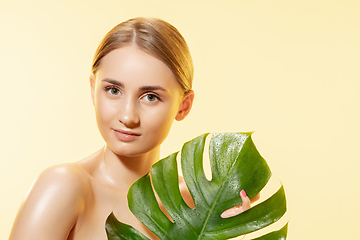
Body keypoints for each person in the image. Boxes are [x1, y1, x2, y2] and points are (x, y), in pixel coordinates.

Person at [9, 17, 259, 240]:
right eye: (113, 90)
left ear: (184, 105)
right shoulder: (65, 187)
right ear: (93, 90)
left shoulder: (197, 202)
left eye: (150, 96)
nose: (128, 116)